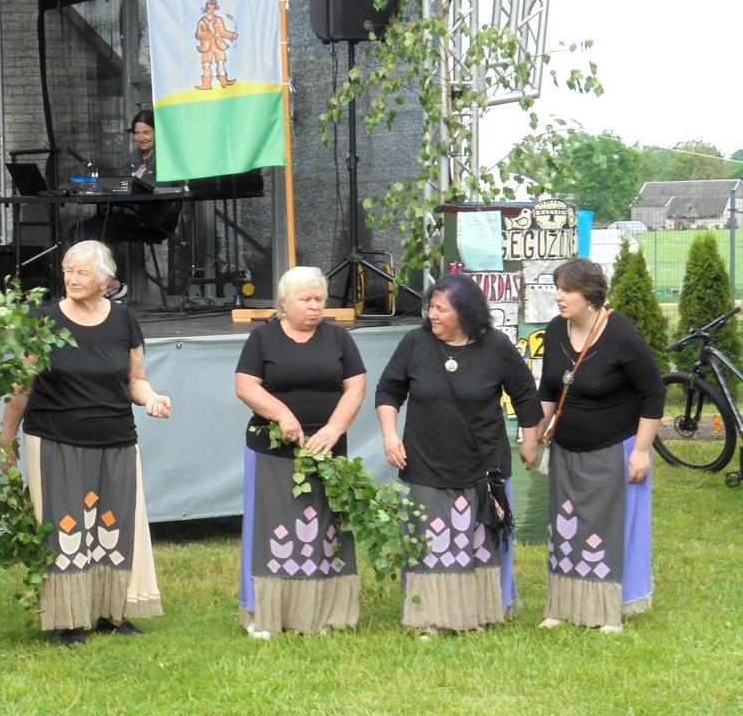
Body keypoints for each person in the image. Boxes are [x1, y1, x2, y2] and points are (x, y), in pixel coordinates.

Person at [0, 240, 169, 646]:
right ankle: (69, 619)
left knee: (115, 526)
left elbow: (135, 379)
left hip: (116, 438)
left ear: (106, 281)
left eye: (82, 273)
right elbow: (22, 388)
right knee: (66, 528)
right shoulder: (43, 321)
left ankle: (113, 613)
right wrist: (6, 441)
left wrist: (152, 398)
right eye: (68, 271)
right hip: (55, 439)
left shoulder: (125, 320)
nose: (72, 279)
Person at [375, 273, 542, 637]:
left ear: (465, 314)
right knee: (430, 540)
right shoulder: (415, 343)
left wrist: (531, 441)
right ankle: (428, 617)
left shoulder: (496, 346)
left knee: (479, 541)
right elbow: (388, 390)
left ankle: (480, 613)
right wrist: (390, 435)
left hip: (483, 464)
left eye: (441, 309)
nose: (432, 315)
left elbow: (525, 394)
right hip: (425, 461)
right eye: (431, 307)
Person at [234, 266, 367, 638]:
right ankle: (266, 614)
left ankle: (327, 613)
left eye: (319, 299)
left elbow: (356, 387)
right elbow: (246, 386)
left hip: (328, 450)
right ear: (284, 302)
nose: (315, 306)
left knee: (326, 529)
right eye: (306, 299)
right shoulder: (262, 338)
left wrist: (335, 428)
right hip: (272, 451)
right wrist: (282, 415)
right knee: (273, 529)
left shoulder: (339, 338)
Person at [535, 257, 662, 632]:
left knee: (605, 528)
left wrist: (641, 451)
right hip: (566, 449)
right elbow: (549, 388)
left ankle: (609, 610)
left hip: (613, 448)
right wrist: (535, 433)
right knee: (565, 526)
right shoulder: (555, 330)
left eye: (567, 290)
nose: (559, 297)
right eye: (557, 289)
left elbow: (653, 392)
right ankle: (562, 605)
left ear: (590, 296)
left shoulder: (620, 333)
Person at [194, 0, 238, 90]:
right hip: (206, 46)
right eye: (209, 8)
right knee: (206, 64)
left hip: (218, 44)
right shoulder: (202, 22)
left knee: (221, 63)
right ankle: (206, 84)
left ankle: (224, 81)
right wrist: (207, 35)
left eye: (213, 8)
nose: (211, 10)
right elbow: (198, 35)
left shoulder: (218, 19)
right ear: (206, 9)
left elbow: (223, 32)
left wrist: (231, 35)